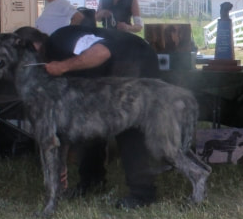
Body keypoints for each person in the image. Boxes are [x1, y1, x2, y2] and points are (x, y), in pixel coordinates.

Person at [15, 25, 162, 209]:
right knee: (87, 120)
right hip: (108, 75)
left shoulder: (60, 39)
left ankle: (143, 194)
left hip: (134, 56)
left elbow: (102, 53)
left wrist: (62, 66)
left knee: (128, 124)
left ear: (35, 45)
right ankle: (92, 181)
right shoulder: (50, 61)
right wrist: (62, 162)